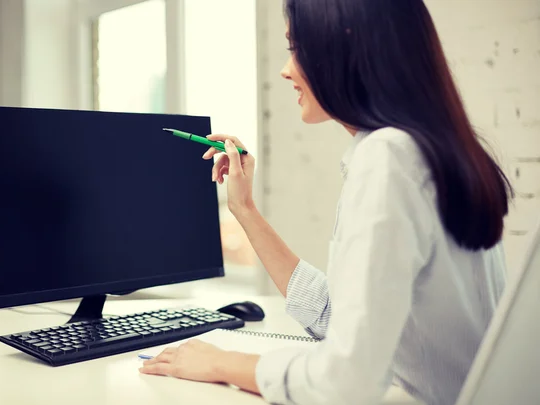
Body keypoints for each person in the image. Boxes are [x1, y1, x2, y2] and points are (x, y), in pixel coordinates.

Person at [139, 0, 512, 404]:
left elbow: (343, 382)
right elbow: (339, 318)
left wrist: (219, 363)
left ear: (343, 45)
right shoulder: (432, 148)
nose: (286, 69)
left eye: (296, 47)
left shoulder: (389, 157)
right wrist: (244, 209)